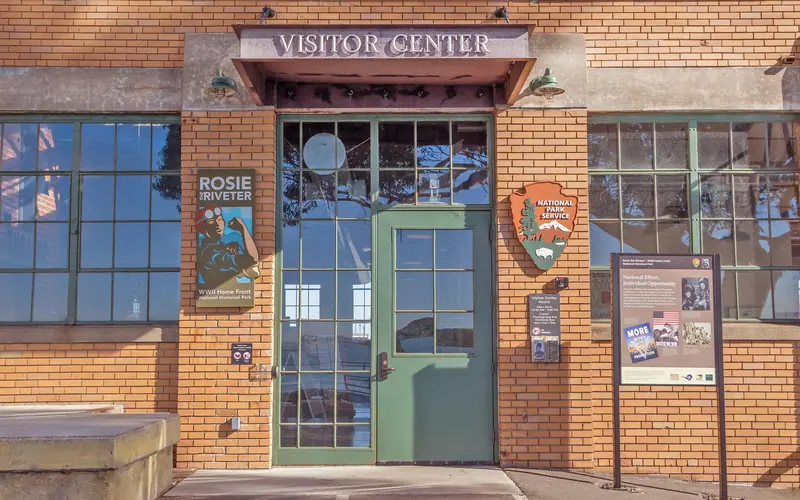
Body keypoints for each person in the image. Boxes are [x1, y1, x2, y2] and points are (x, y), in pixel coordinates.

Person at [197, 206, 259, 288]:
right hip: (220, 297)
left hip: (236, 295)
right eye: (211, 222)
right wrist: (243, 228)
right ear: (203, 229)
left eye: (219, 219)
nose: (217, 224)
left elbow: (254, 272)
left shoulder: (223, 246)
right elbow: (252, 260)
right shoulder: (209, 252)